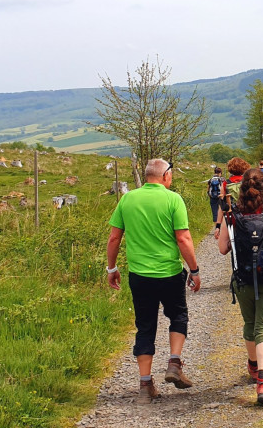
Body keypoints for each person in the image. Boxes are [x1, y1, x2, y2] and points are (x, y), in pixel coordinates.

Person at [106, 159, 201, 403]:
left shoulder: (127, 199)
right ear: (165, 176)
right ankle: (174, 363)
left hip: (139, 276)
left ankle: (145, 385)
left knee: (145, 326)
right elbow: (183, 239)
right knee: (178, 316)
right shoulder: (173, 199)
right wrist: (194, 269)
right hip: (169, 273)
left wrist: (112, 268)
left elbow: (114, 238)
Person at [217, 168, 263, 405]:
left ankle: (253, 366)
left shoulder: (232, 214)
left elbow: (222, 249)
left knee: (251, 325)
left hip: (244, 280)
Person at [215, 157, 250, 239]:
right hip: (247, 214)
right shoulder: (248, 182)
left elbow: (221, 205)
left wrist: (218, 226)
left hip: (232, 215)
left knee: (227, 242)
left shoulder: (225, 183)